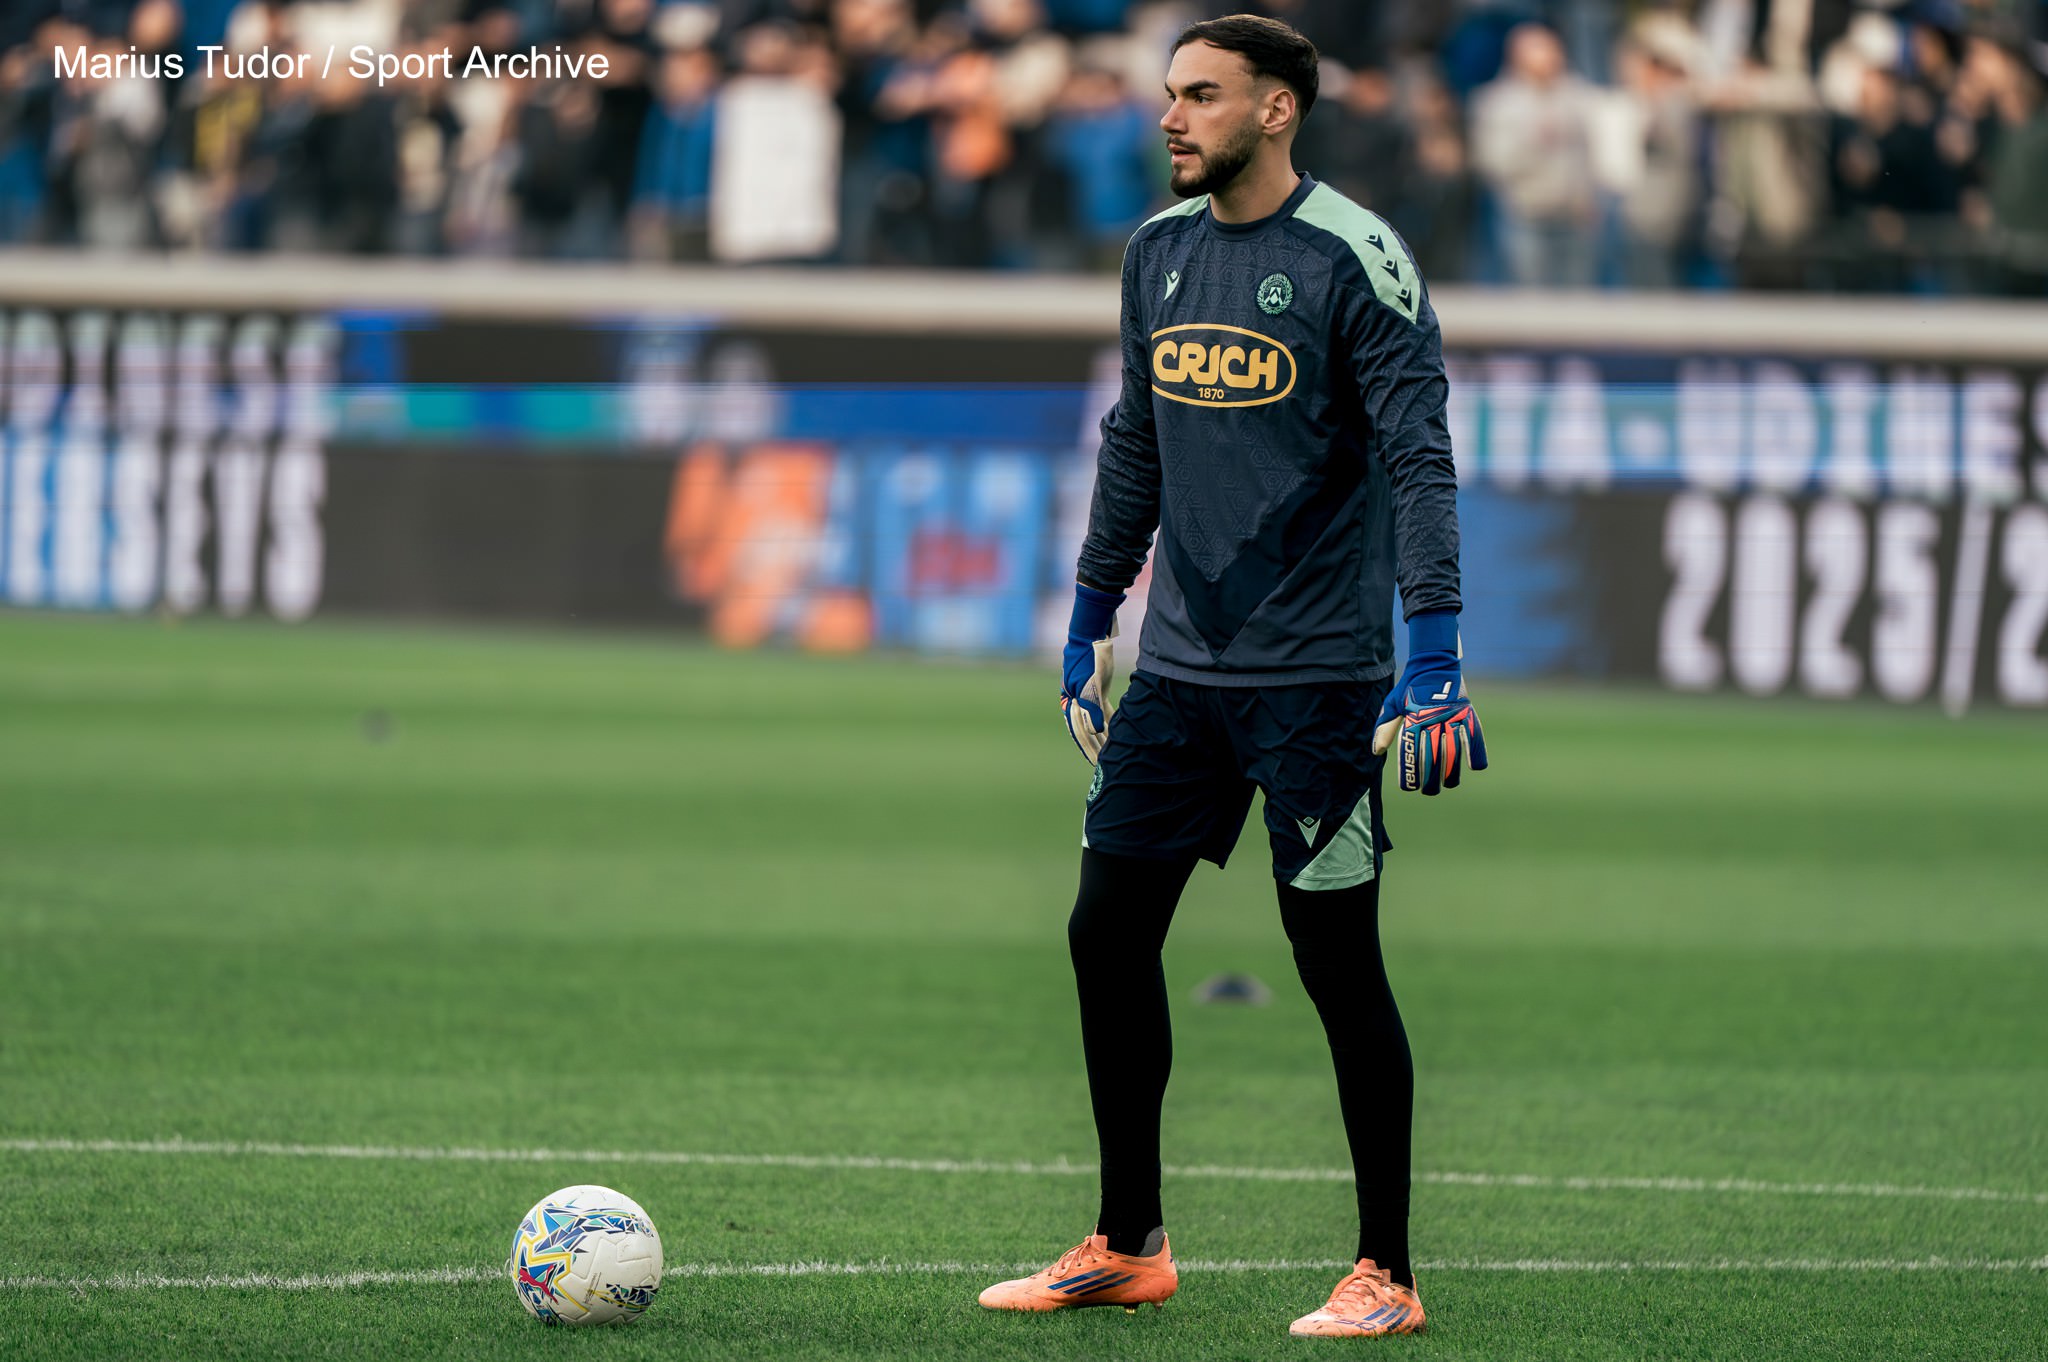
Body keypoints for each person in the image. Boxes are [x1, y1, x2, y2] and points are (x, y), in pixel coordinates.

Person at [976, 12, 1485, 1341]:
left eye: (1200, 96)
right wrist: (1092, 618)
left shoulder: (1357, 259)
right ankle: (1129, 1238)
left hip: (1322, 683)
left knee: (1335, 961)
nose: (1170, 117)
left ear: (1276, 111)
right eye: (1168, 95)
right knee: (1104, 929)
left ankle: (1388, 1267)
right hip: (1182, 673)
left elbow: (1423, 463)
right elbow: (1134, 440)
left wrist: (1432, 657)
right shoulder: (1154, 253)